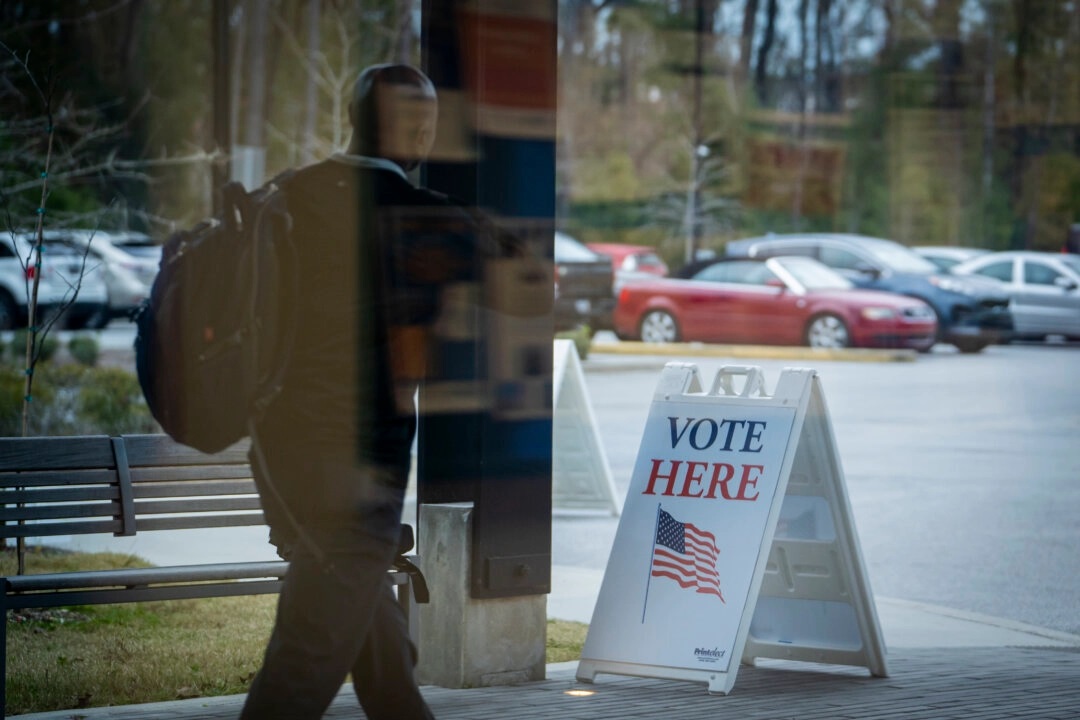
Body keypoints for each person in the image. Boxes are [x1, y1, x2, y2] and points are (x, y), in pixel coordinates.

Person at [241, 63, 498, 720]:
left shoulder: (287, 193)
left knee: (372, 636)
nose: (424, 131)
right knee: (305, 658)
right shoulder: (422, 216)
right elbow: (526, 283)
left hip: (277, 454)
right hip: (357, 464)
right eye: (419, 120)